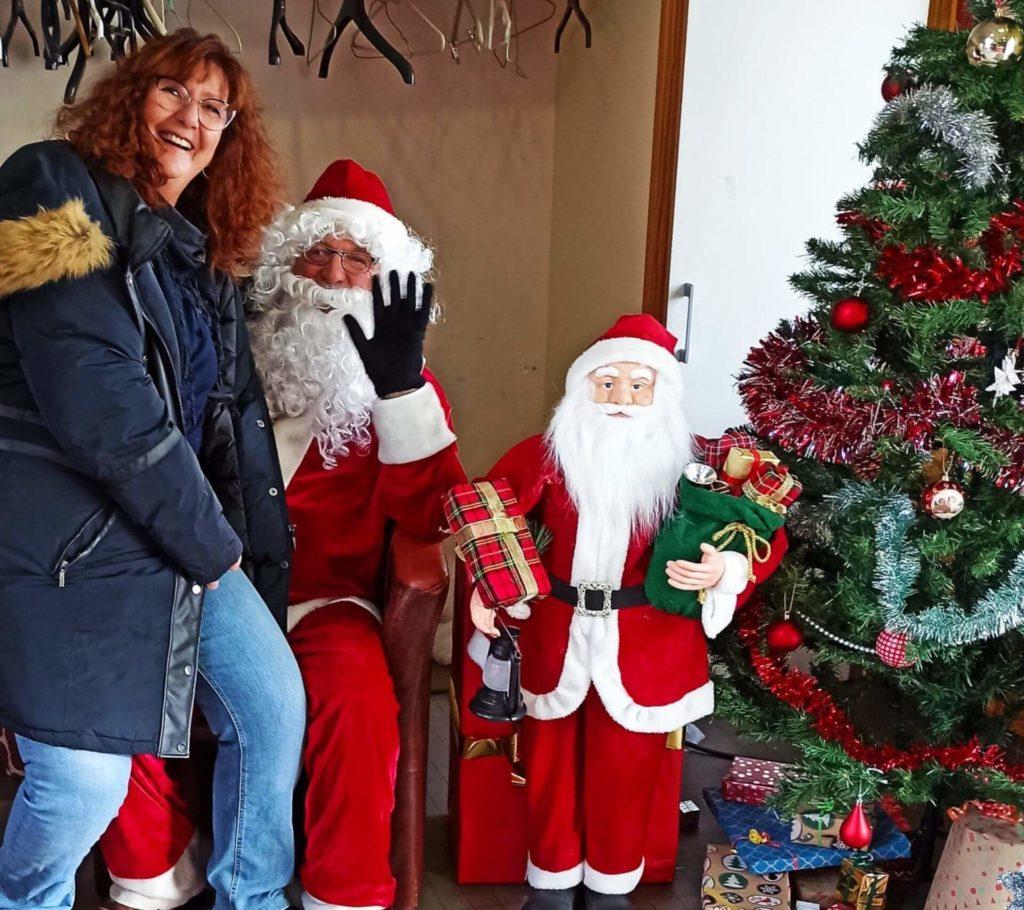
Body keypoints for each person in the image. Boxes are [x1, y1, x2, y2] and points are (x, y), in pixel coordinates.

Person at [98, 160, 466, 910]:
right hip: (211, 593)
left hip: (324, 606)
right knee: (120, 693)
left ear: (384, 276)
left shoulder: (402, 381)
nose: (331, 273)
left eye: (356, 258)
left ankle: (342, 891)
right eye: (315, 253)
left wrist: (400, 390)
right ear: (283, 265)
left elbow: (429, 515)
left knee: (358, 705)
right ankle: (157, 876)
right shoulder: (224, 350)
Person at [0, 29, 305, 910]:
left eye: (215, 108)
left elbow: (228, 426)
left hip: (170, 535)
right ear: (130, 96)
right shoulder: (49, 185)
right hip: (66, 544)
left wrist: (245, 549)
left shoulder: (199, 252)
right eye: (173, 91)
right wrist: (213, 548)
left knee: (272, 704)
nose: (191, 118)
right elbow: (101, 405)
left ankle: (251, 898)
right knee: (85, 785)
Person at [468, 315, 787, 910]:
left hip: (649, 641)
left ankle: (611, 882)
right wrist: (488, 585)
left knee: (627, 769)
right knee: (550, 764)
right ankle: (552, 881)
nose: (620, 399)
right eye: (606, 384)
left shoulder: (697, 470)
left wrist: (725, 569)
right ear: (581, 390)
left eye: (638, 385)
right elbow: (489, 508)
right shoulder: (549, 455)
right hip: (557, 632)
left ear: (661, 395)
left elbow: (759, 529)